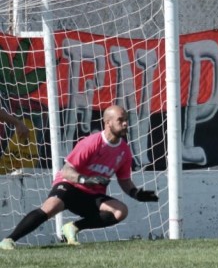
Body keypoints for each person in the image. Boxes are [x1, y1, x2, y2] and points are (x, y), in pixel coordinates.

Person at [0, 105, 158, 250]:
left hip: (91, 195)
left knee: (121, 211)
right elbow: (67, 171)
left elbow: (124, 180)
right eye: (120, 120)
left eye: (126, 120)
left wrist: (136, 193)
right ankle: (9, 240)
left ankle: (73, 227)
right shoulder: (91, 143)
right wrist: (85, 180)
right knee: (49, 208)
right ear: (108, 122)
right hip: (69, 186)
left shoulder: (124, 151)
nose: (125, 124)